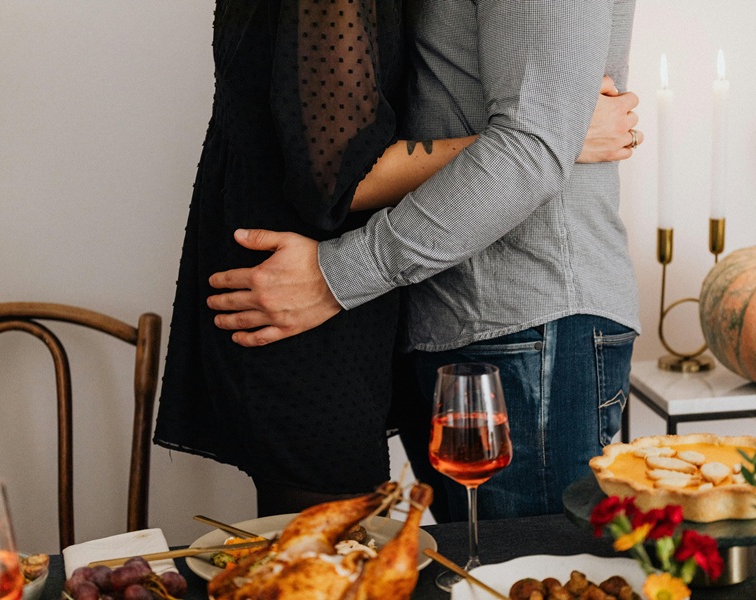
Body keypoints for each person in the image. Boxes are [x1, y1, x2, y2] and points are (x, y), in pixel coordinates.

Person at [154, 0, 640, 517]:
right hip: (435, 308)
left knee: (525, 581)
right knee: (468, 579)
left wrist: (338, 273)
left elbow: (529, 150)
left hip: (527, 323)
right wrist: (557, 137)